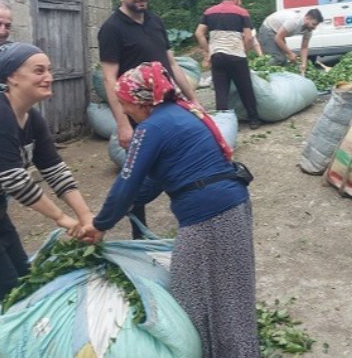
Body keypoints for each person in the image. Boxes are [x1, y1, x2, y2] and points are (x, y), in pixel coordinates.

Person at [82, 62, 260, 358]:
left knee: (191, 293)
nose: (124, 111)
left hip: (210, 217)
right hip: (232, 206)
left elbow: (126, 181)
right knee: (229, 293)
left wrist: (100, 224)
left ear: (140, 99)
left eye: (125, 103)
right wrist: (123, 210)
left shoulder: (151, 127)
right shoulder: (182, 112)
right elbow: (149, 185)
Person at [0, 42, 93, 317]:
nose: (49, 77)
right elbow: (14, 180)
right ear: (12, 77)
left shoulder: (32, 118)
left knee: (23, 280)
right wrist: (63, 219)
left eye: (50, 70)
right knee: (3, 299)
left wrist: (86, 216)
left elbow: (55, 169)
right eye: (39, 70)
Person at [98, 0, 198, 238]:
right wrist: (122, 125)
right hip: (136, 113)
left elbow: (172, 64)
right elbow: (109, 79)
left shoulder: (155, 21)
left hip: (167, 108)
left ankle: (189, 220)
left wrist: (193, 101)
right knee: (138, 176)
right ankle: (138, 236)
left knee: (179, 163)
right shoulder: (112, 29)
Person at [194, 0, 261, 129]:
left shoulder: (209, 12)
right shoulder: (242, 12)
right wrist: (243, 50)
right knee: (245, 88)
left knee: (221, 91)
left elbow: (198, 33)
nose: (241, 2)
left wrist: (208, 50)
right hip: (236, 56)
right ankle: (254, 119)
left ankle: (223, 125)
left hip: (217, 56)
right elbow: (249, 37)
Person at [258, 8, 323, 74]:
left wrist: (303, 64)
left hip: (277, 33)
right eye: (314, 24)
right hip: (268, 29)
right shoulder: (295, 21)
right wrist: (290, 53)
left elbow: (304, 47)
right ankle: (261, 73)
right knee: (279, 59)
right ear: (307, 18)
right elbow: (278, 38)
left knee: (284, 61)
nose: (314, 28)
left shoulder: (308, 30)